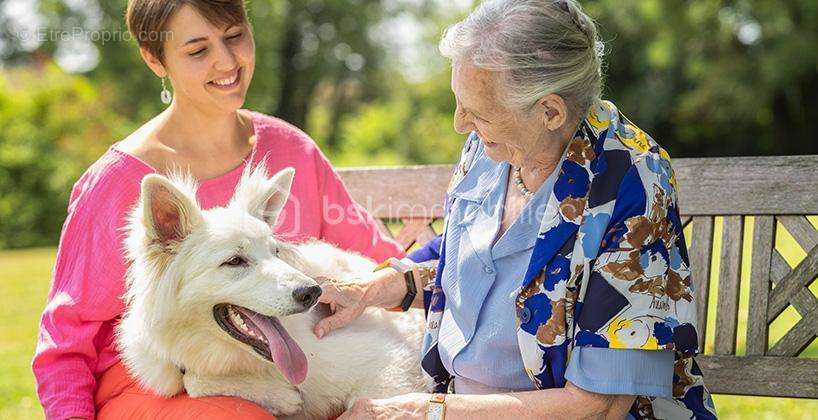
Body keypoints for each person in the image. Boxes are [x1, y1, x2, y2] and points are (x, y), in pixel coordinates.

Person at [315, 1, 718, 418]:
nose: (459, 124)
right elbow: (472, 267)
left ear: (550, 111)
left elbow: (599, 405)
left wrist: (426, 412)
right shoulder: (495, 146)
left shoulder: (632, 180)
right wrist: (369, 290)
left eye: (477, 113)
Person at [31, 1, 403, 419]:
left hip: (286, 364)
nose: (227, 61)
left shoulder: (292, 149)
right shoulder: (116, 181)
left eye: (234, 36)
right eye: (197, 50)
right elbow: (64, 346)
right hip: (154, 383)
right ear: (156, 59)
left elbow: (377, 259)